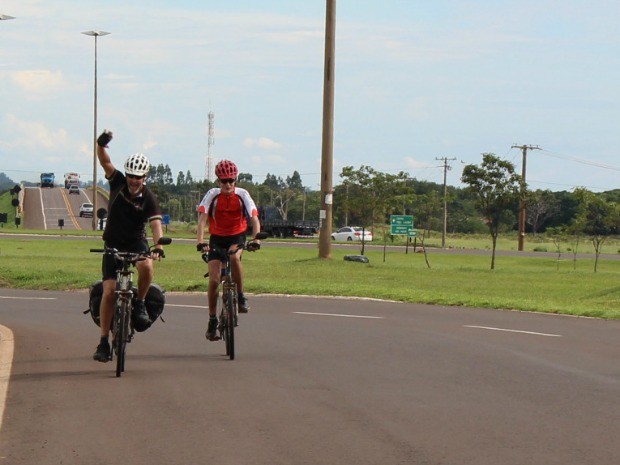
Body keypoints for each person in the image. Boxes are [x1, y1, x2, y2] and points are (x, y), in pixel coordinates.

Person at [92, 129, 165, 362]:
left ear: (145, 178)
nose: (134, 180)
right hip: (112, 242)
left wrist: (158, 246)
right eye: (131, 175)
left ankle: (141, 303)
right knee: (110, 291)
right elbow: (104, 160)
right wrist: (101, 143)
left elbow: (155, 225)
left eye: (138, 177)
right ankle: (103, 341)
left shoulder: (149, 198)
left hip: (136, 242)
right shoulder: (117, 182)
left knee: (147, 267)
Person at [196, 160, 261, 341]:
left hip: (236, 236)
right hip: (216, 238)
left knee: (234, 257)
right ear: (218, 181)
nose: (228, 185)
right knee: (214, 279)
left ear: (236, 180)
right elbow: (202, 220)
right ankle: (211, 319)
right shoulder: (212, 195)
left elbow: (254, 217)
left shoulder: (242, 195)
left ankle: (240, 296)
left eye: (231, 181)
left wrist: (256, 239)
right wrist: (201, 242)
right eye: (224, 181)